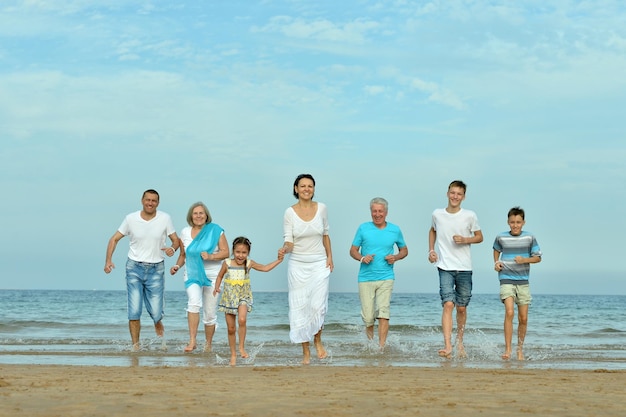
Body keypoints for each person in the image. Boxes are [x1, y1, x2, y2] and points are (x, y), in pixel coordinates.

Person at [104, 189, 180, 351]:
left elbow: (176, 241)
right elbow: (114, 239)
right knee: (135, 309)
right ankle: (136, 346)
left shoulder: (165, 218)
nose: (150, 203)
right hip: (134, 268)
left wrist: (172, 249)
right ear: (142, 200)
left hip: (156, 269)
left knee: (156, 311)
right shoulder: (130, 219)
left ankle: (157, 320)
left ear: (158, 203)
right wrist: (108, 260)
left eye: (154, 201)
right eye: (147, 200)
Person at [278, 174, 334, 365]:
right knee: (299, 308)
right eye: (303, 186)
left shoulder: (322, 208)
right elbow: (289, 241)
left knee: (318, 305)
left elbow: (326, 235)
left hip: (319, 263)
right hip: (298, 265)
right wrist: (284, 249)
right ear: (296, 189)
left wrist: (330, 258)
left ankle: (317, 340)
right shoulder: (289, 213)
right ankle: (306, 352)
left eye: (310, 186)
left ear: (314, 189)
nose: (306, 189)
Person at [428, 180, 483, 359]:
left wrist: (465, 240)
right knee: (448, 304)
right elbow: (432, 231)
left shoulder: (470, 215)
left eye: (459, 194)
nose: (455, 196)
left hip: (464, 268)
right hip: (444, 266)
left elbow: (479, 237)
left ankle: (459, 341)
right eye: (452, 193)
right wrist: (431, 250)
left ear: (463, 197)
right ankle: (448, 345)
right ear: (447, 193)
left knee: (461, 308)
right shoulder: (437, 214)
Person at [213, 236, 284, 365]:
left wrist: (278, 260)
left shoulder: (249, 263)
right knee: (231, 328)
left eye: (244, 252)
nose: (240, 255)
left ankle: (241, 347)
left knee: (242, 319)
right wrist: (217, 287)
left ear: (248, 253)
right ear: (233, 251)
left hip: (243, 297)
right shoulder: (227, 263)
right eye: (238, 252)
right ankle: (233, 355)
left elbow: (265, 268)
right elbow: (219, 276)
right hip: (228, 298)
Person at [169, 202, 229, 353]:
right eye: (195, 213)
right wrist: (177, 266)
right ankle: (192, 341)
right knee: (194, 303)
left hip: (213, 275)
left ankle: (208, 345)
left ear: (206, 215)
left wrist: (211, 256)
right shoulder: (185, 232)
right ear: (191, 216)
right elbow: (183, 255)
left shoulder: (216, 230)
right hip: (192, 273)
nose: (198, 216)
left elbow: (226, 252)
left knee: (210, 314)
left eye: (201, 213)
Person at [350, 197, 408, 350]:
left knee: (383, 312)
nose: (377, 214)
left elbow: (404, 250)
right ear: (371, 212)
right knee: (368, 318)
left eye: (380, 211)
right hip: (365, 278)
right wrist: (362, 258)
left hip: (386, 277)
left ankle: (380, 348)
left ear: (386, 212)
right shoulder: (363, 228)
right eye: (374, 211)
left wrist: (395, 257)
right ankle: (370, 345)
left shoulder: (395, 230)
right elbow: (352, 251)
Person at [493, 206, 542, 361]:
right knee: (509, 312)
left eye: (518, 222)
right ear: (508, 222)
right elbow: (496, 249)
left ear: (523, 222)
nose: (515, 225)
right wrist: (496, 262)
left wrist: (524, 259)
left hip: (523, 281)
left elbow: (538, 257)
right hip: (506, 279)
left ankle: (519, 350)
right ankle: (507, 350)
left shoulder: (530, 238)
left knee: (523, 318)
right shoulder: (501, 237)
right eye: (512, 222)